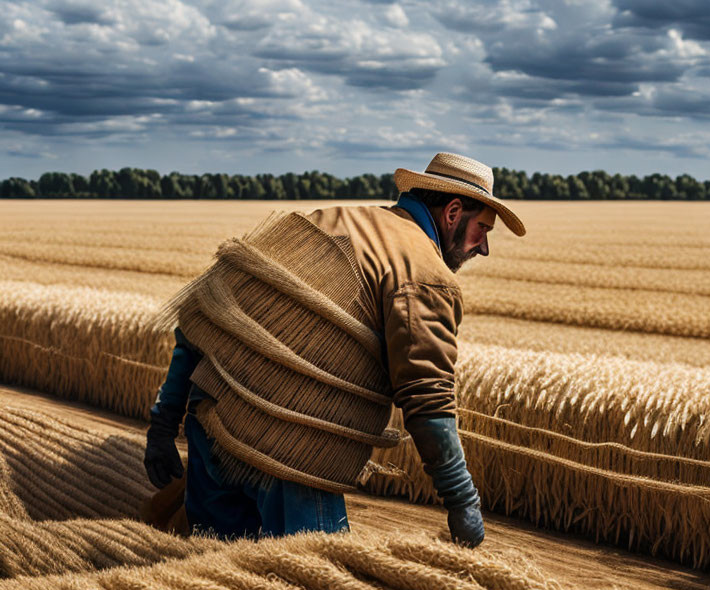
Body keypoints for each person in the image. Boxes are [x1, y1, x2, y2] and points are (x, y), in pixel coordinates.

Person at [143, 152, 526, 546]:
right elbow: (428, 402)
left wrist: (163, 424)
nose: (483, 248)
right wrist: (463, 505)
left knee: (214, 577)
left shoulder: (322, 221)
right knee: (311, 587)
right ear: (453, 212)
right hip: (294, 455)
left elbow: (205, 319)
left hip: (214, 435)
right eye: (483, 229)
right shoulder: (424, 275)